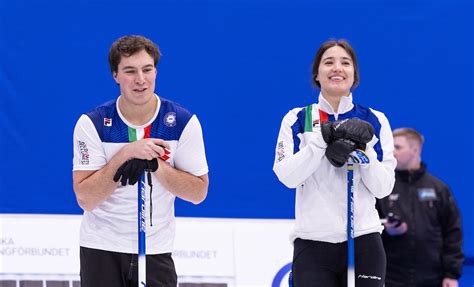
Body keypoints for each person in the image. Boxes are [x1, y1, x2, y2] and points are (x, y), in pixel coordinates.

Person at [72, 35, 209, 287]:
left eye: (147, 69)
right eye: (130, 71)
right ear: (115, 75)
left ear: (156, 71)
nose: (140, 80)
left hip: (156, 250)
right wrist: (125, 155)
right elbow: (86, 198)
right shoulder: (92, 123)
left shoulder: (181, 122)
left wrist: (156, 165)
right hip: (101, 248)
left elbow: (198, 192)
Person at [273, 39, 396, 287]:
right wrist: (321, 139)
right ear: (317, 74)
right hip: (313, 243)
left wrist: (365, 151)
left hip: (364, 241)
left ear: (354, 74)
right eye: (328, 62)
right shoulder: (297, 118)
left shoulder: (375, 120)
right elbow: (287, 177)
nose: (337, 68)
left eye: (345, 63)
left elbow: (384, 188)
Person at [376, 128, 463, 287]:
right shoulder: (382, 187)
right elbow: (365, 227)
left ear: (415, 149)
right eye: (390, 148)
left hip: (432, 278)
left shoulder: (438, 188)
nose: (392, 152)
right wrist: (386, 230)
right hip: (390, 277)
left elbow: (452, 232)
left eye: (398, 147)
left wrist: (451, 274)